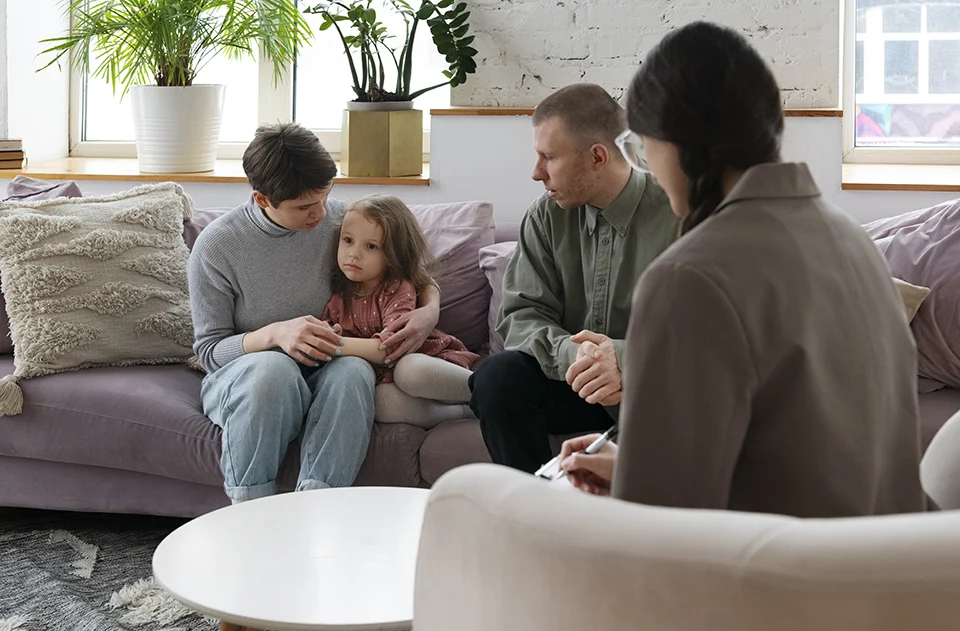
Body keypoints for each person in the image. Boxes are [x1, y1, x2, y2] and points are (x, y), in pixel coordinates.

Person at [559, 22, 927, 517]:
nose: (646, 165)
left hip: (772, 581)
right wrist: (630, 468)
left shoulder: (688, 277)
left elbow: (658, 521)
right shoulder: (853, 243)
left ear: (674, 140)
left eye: (642, 147)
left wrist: (625, 489)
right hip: (886, 568)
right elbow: (799, 456)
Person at [188, 123, 442, 503]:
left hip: (331, 365)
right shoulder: (217, 246)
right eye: (305, 207)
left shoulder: (344, 222)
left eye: (325, 197)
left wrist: (429, 313)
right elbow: (209, 353)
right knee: (272, 369)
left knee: (355, 370)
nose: (321, 213)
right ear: (262, 199)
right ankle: (249, 510)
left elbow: (415, 273)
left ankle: (317, 505)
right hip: (252, 378)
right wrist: (274, 335)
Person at [469, 83, 680, 473]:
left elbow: (705, 334)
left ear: (597, 156)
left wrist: (622, 359)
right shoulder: (545, 216)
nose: (536, 173)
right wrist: (579, 356)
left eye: (548, 157)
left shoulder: (678, 213)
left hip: (653, 389)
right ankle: (535, 512)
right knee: (497, 378)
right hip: (571, 381)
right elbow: (520, 315)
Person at [321, 195, 479, 427]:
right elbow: (330, 332)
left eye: (371, 246)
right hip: (387, 380)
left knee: (408, 371)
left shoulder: (396, 288)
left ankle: (489, 391)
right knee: (381, 402)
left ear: (393, 254)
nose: (354, 253)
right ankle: (466, 413)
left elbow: (389, 349)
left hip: (426, 362)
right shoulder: (339, 297)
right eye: (347, 240)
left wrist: (331, 344)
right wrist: (329, 332)